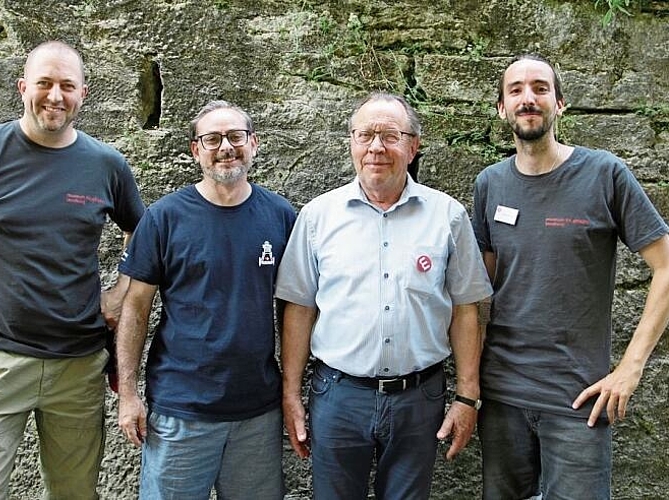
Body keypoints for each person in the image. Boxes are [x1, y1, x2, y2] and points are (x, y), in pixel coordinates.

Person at [0, 41, 145, 499]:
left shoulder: (106, 164)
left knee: (75, 494)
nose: (55, 96)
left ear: (83, 93)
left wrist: (119, 292)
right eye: (44, 83)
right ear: (24, 87)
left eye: (66, 86)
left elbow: (140, 236)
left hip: (77, 366)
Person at [275, 92, 493, 500]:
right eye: (366, 135)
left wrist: (468, 396)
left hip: (419, 398)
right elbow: (299, 307)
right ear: (352, 144)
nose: (377, 147)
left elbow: (467, 308)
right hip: (338, 396)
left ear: (413, 147)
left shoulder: (448, 216)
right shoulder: (318, 217)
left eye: (391, 136)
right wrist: (290, 395)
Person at [472, 53, 669, 500]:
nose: (528, 98)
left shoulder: (605, 175)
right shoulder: (489, 184)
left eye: (540, 88)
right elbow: (480, 295)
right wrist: (471, 385)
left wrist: (630, 369)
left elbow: (666, 266)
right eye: (516, 90)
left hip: (579, 400)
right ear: (502, 108)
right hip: (502, 397)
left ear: (560, 103)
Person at [116, 100, 296, 499]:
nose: (225, 147)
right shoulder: (164, 218)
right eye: (212, 139)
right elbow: (135, 307)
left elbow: (295, 310)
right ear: (196, 150)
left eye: (235, 136)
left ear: (254, 144)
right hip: (181, 410)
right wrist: (128, 394)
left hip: (257, 412)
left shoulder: (281, 216)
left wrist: (292, 392)